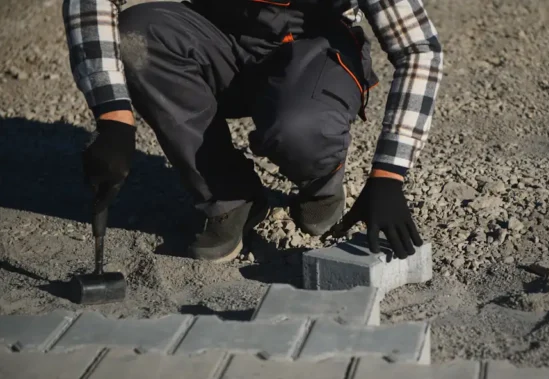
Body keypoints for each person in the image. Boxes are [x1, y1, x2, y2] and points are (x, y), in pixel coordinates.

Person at [62, 0, 443, 262]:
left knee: (298, 129)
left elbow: (419, 49)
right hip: (216, 36)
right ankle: (228, 195)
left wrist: (389, 175)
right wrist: (113, 115)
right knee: (136, 36)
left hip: (313, 46)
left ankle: (321, 181)